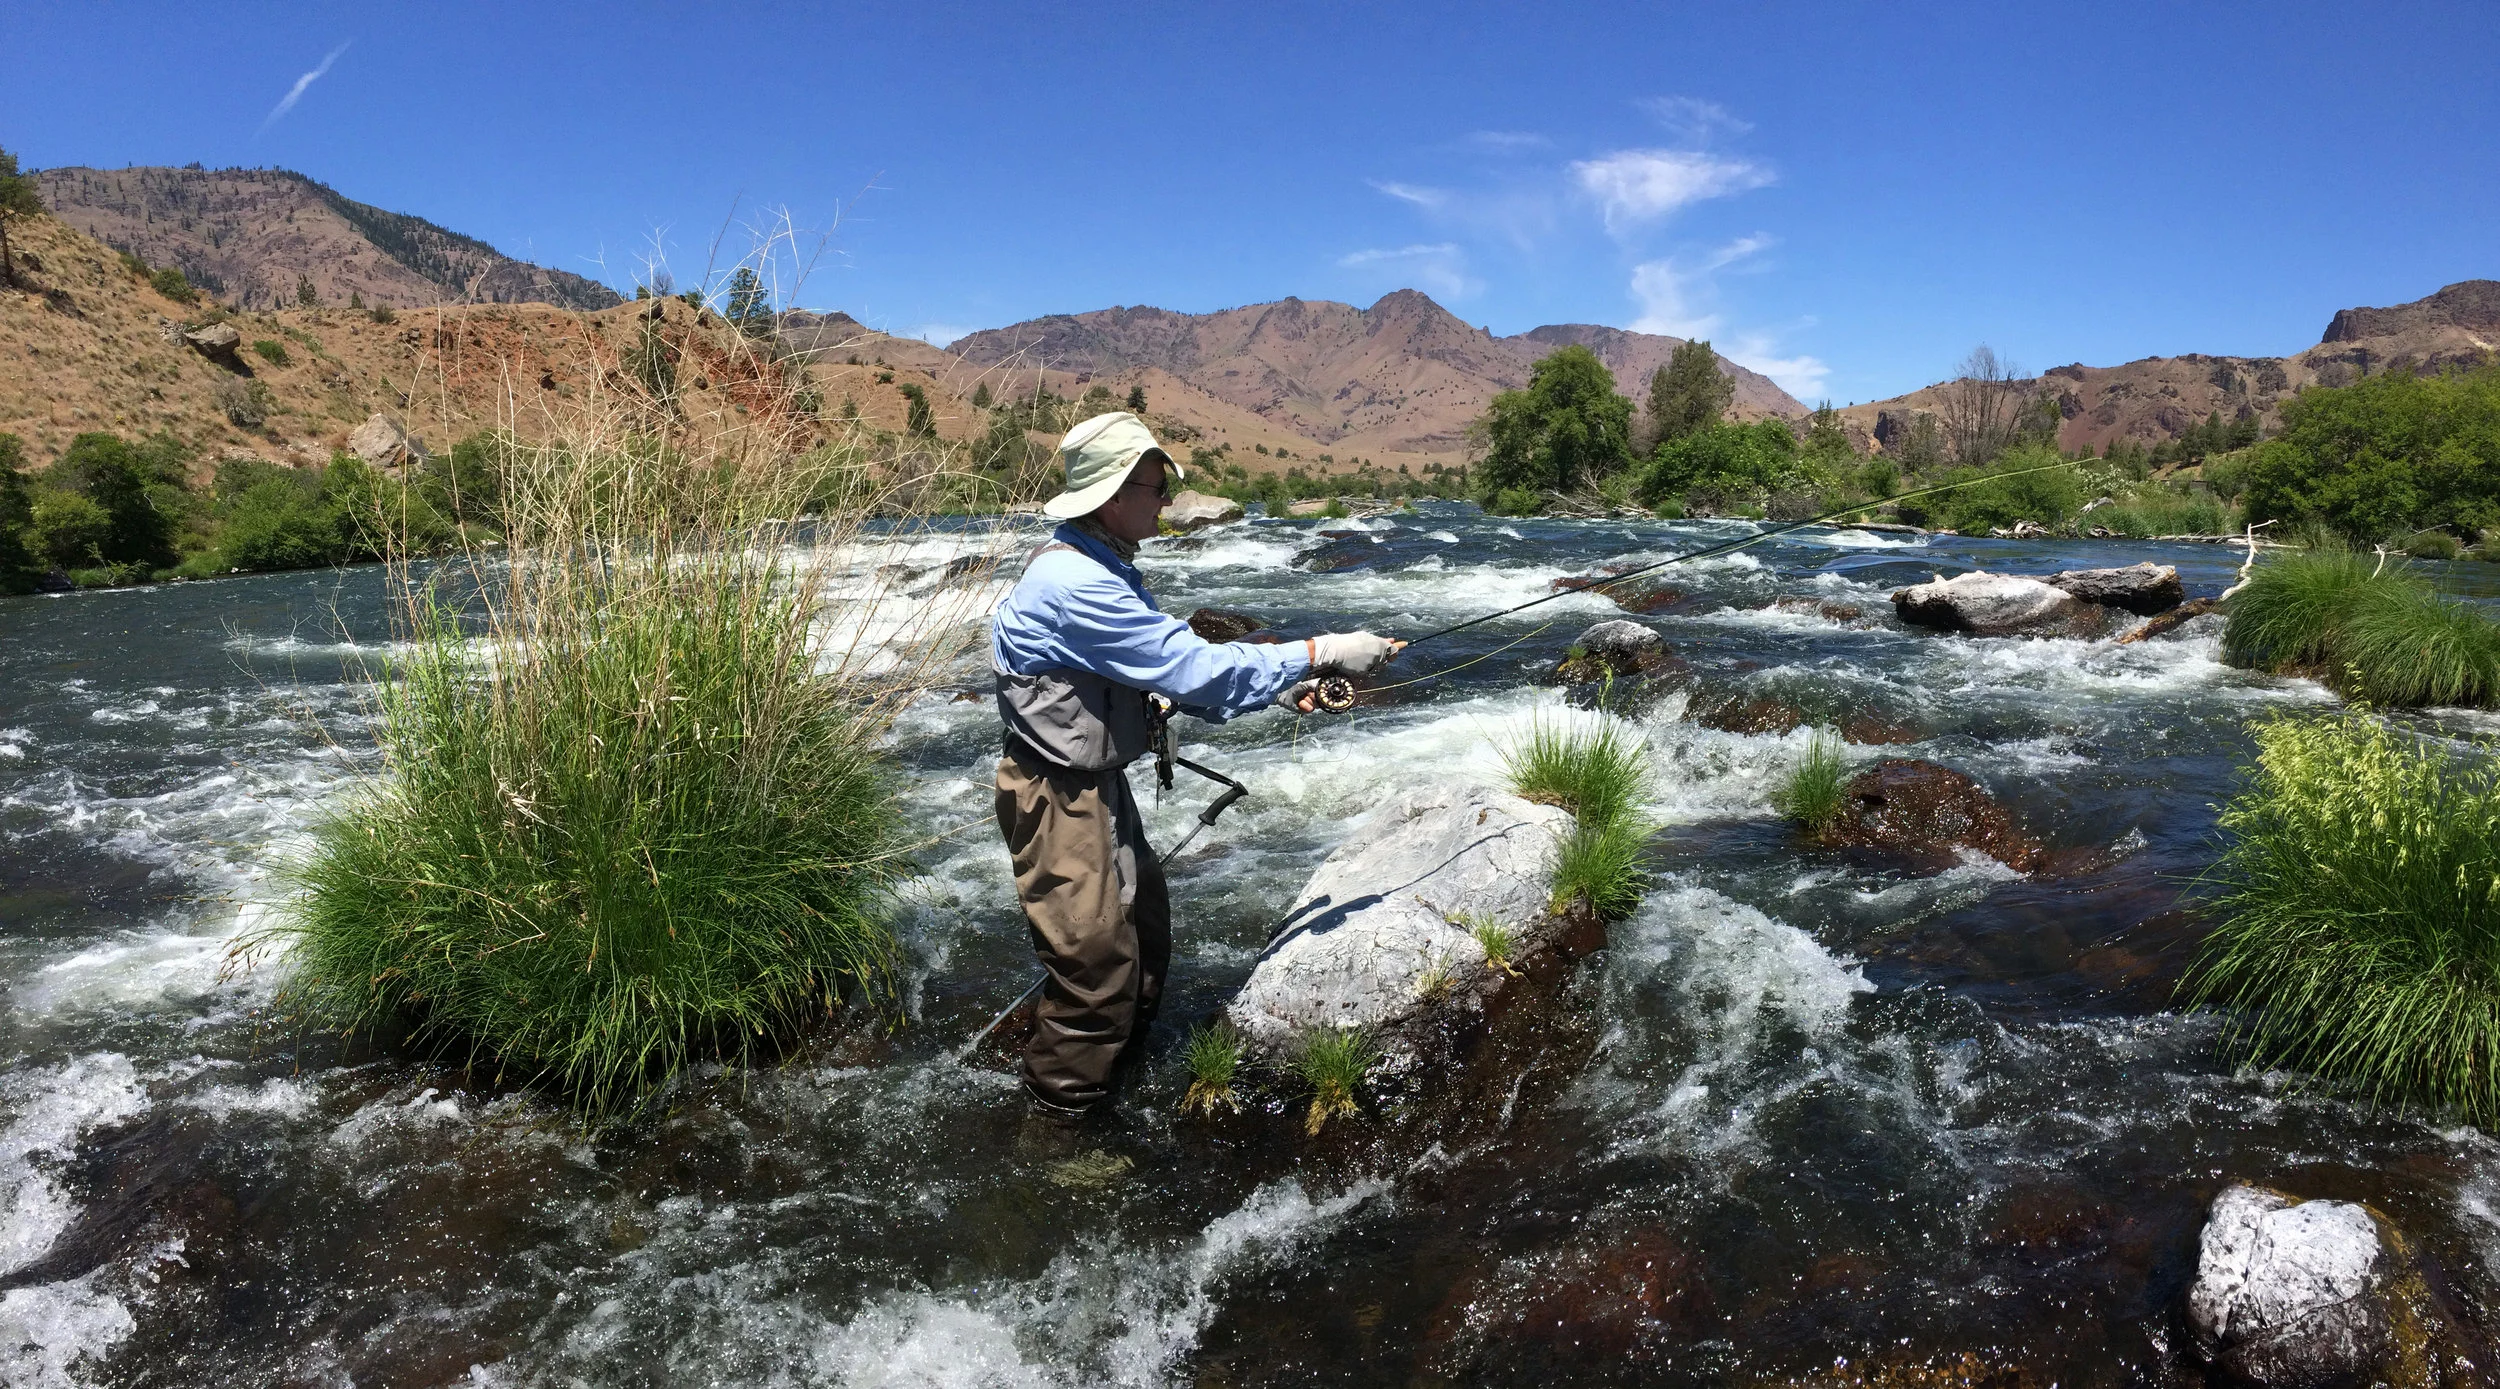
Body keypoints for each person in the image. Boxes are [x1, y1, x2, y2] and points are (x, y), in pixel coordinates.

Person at [991, 412, 1399, 1118]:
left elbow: (1162, 678)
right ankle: (1056, 1143)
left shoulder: (1100, 562)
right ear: (1116, 494)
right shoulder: (1076, 584)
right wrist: (1320, 651)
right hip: (1060, 799)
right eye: (1156, 486)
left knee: (1142, 946)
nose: (1166, 501)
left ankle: (1113, 1089)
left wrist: (1283, 686)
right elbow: (1196, 670)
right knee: (1094, 979)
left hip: (1094, 785)